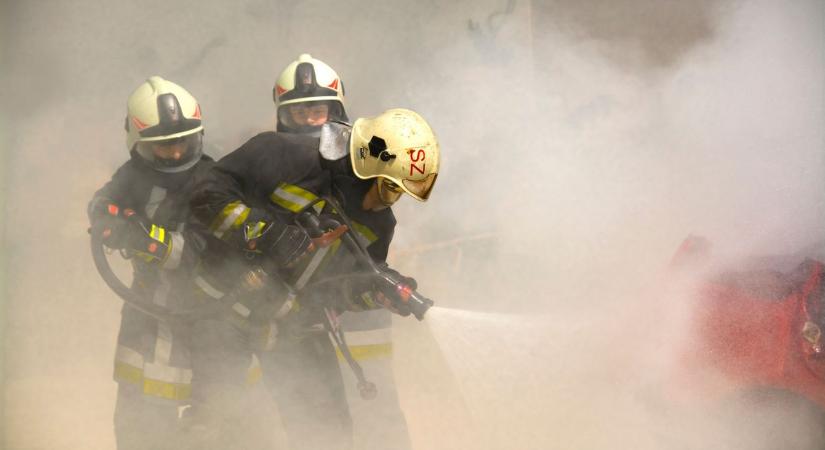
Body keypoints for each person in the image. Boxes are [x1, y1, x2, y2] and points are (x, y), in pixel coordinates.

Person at [186, 107, 439, 450]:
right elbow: (204, 197)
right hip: (222, 310)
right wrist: (263, 232)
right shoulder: (279, 155)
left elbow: (338, 289)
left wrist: (375, 293)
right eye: (390, 190)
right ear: (365, 168)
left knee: (327, 430)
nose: (388, 204)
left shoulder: (379, 225)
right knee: (216, 425)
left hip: (293, 324)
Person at [273, 53, 418, 450]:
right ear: (282, 116)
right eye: (298, 114)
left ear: (336, 111)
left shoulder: (364, 157)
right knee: (314, 419)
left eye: (317, 112)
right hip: (302, 314)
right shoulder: (270, 164)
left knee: (377, 408)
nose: (309, 122)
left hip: (360, 313)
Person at [87, 76, 214, 450]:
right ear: (138, 144)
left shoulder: (214, 179)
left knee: (219, 421)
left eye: (181, 142)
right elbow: (101, 202)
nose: (175, 154)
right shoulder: (133, 177)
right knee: (139, 423)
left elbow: (208, 250)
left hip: (208, 318)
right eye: (162, 147)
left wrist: (147, 241)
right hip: (146, 315)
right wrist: (107, 217)